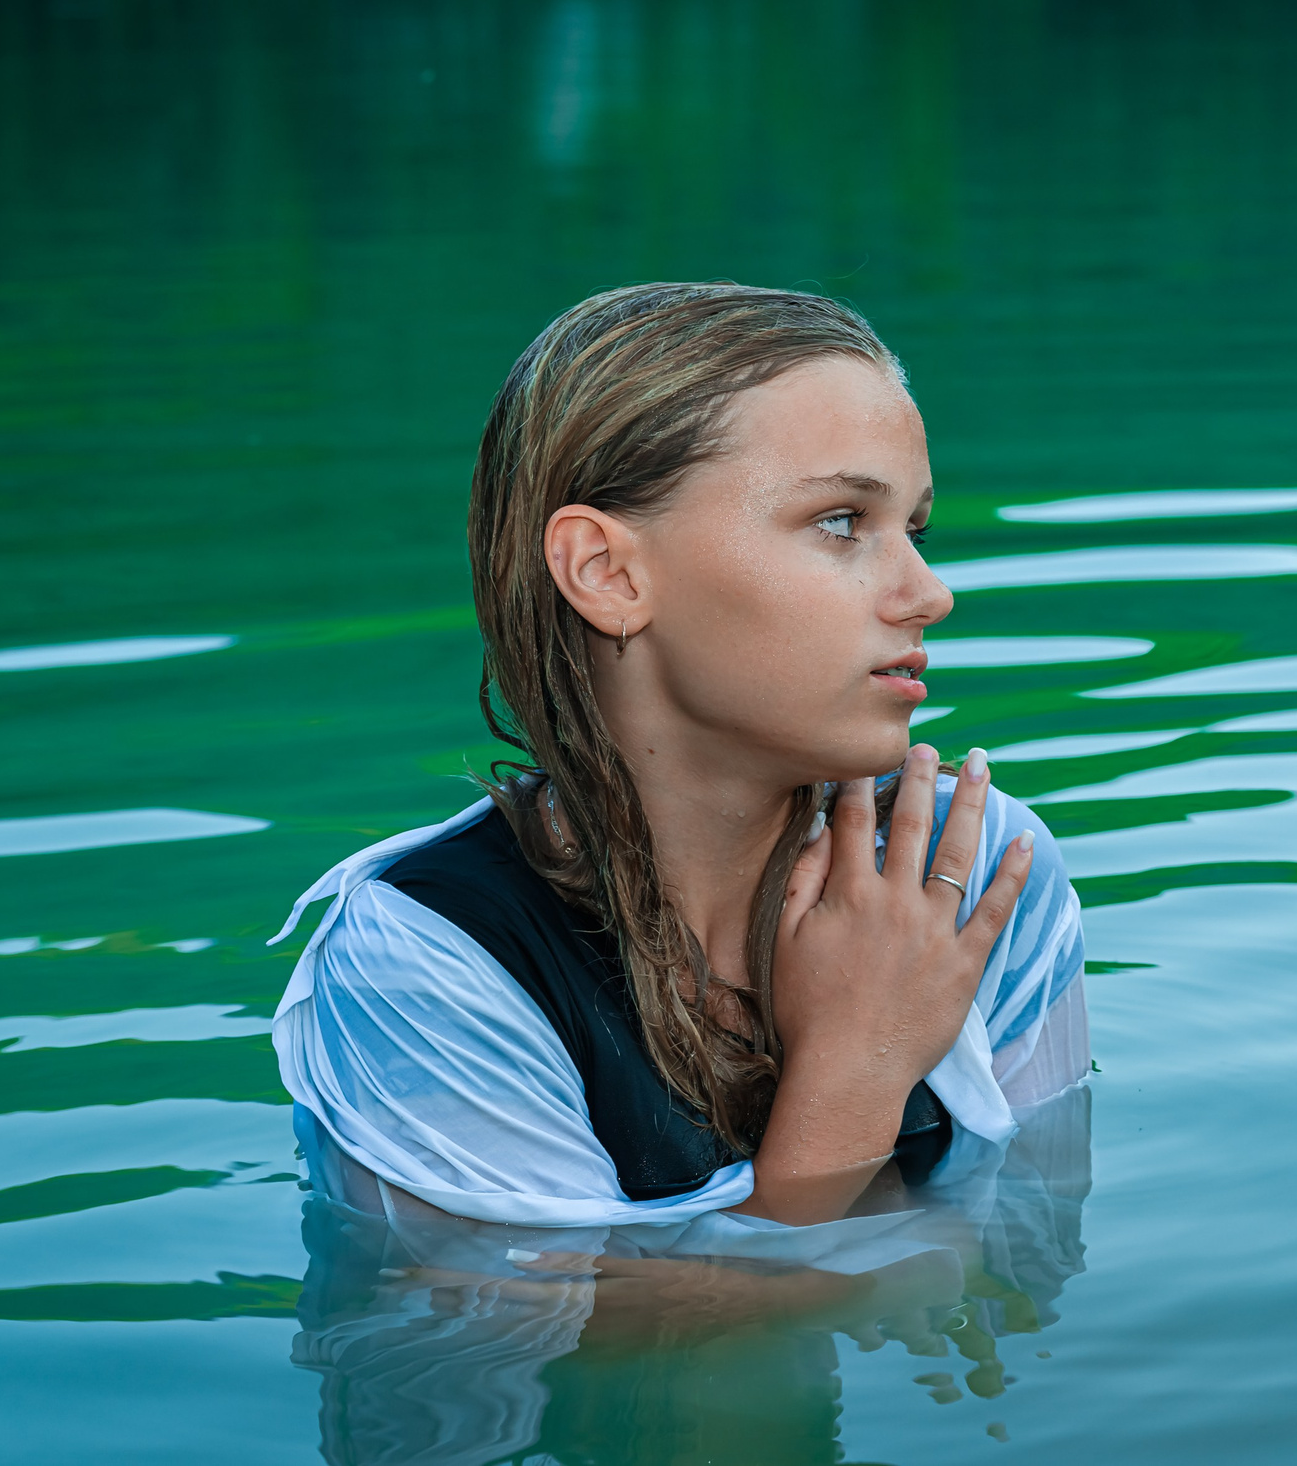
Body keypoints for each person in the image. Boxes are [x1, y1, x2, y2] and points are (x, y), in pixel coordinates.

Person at [269, 283, 1088, 1231]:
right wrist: (858, 1067)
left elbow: (1037, 1261)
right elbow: (561, 1332)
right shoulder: (431, 963)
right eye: (840, 522)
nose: (930, 593)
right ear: (607, 572)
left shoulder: (970, 871)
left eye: (914, 529)